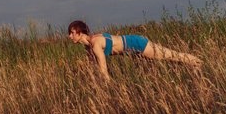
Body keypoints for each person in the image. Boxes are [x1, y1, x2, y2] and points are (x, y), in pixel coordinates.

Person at [68, 20, 201, 79]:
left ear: (81, 33)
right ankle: (195, 67)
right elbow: (93, 68)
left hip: (136, 43)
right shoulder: (88, 48)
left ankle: (198, 63)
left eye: (73, 33)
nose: (70, 36)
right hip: (130, 49)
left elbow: (103, 69)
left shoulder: (95, 43)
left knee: (170, 56)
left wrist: (108, 88)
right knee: (170, 58)